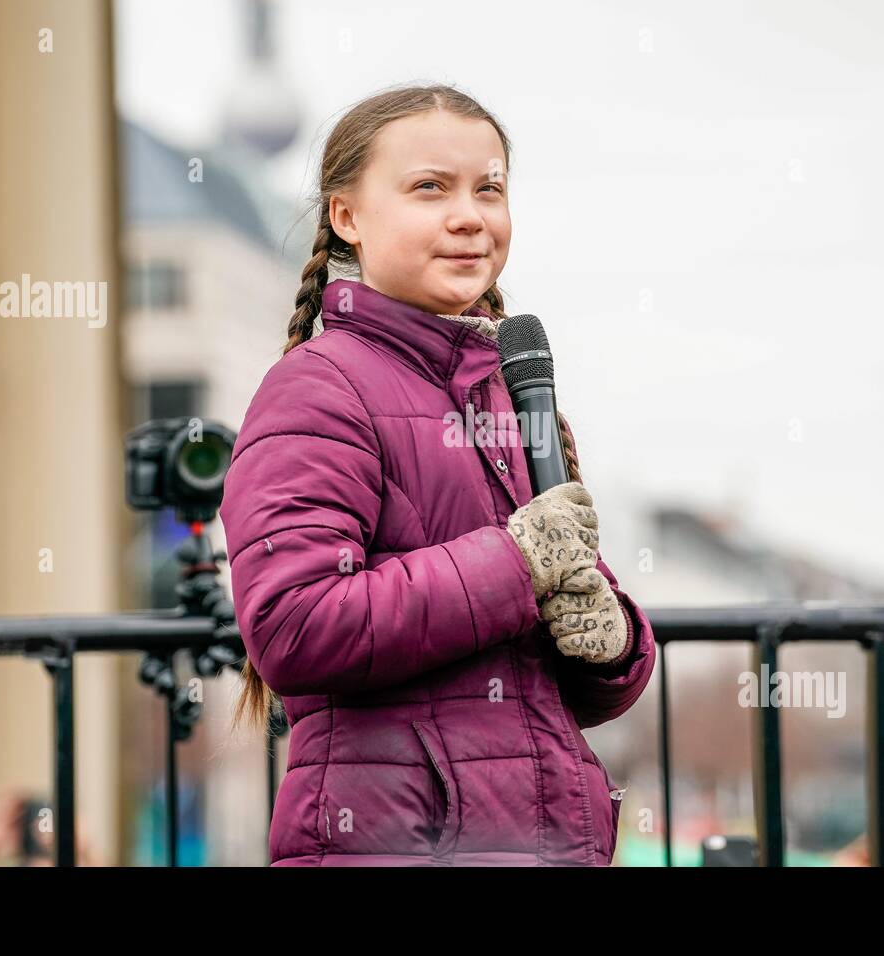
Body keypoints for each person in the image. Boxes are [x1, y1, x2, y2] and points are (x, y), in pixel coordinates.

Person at [220, 83, 655, 866]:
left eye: (489, 188)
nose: (470, 216)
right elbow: (293, 627)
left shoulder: (518, 397)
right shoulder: (317, 387)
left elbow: (576, 691)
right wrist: (516, 563)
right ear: (346, 215)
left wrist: (612, 641)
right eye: (429, 188)